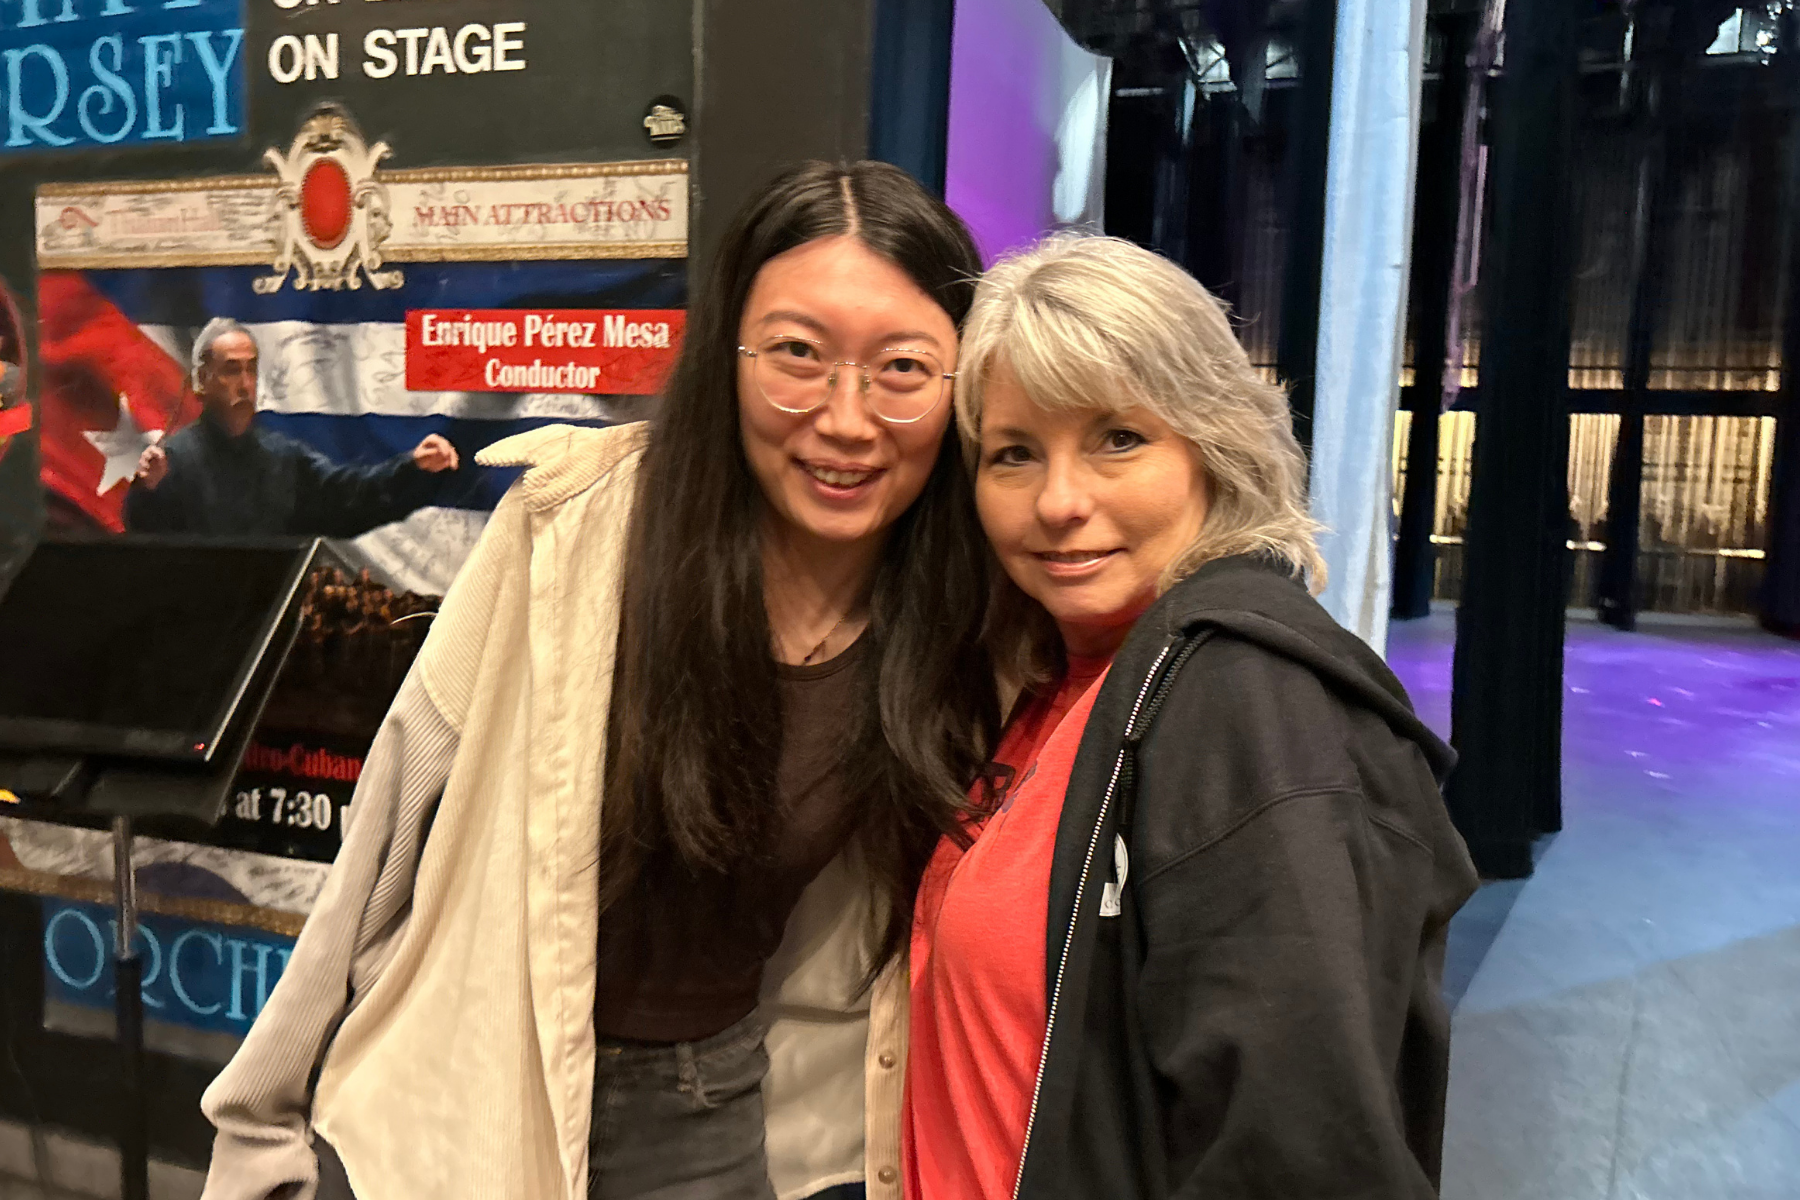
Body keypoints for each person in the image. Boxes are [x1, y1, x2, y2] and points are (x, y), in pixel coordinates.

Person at [199, 162, 996, 1200]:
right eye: (797, 355)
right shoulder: (572, 528)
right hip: (473, 1085)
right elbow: (387, 826)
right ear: (728, 355)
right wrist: (258, 1123)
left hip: (707, 1110)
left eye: (900, 368)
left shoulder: (950, 617)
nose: (845, 419)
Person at [902, 234, 1480, 1199]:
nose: (1059, 501)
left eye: (1118, 438)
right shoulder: (1071, 675)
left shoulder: (1248, 702)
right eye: (1013, 454)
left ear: (1216, 444)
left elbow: (1303, 1160)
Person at [125, 318, 459, 536]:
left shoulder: (282, 458)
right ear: (202, 381)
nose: (244, 384)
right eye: (230, 370)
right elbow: (148, 543)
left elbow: (350, 496)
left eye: (250, 369)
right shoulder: (173, 462)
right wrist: (147, 492)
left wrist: (413, 468)